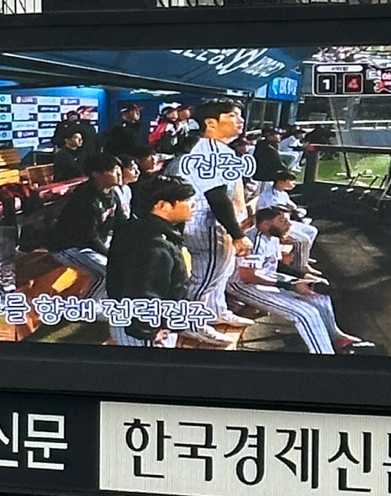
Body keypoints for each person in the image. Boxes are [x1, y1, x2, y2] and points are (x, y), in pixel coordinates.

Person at [226, 207, 374, 354]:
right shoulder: (254, 241)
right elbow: (247, 276)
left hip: (265, 278)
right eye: (282, 221)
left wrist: (301, 278)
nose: (288, 225)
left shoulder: (272, 236)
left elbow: (275, 266)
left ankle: (336, 337)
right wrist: (289, 285)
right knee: (305, 313)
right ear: (265, 224)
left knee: (319, 298)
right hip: (243, 285)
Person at [168, 97, 252, 345]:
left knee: (220, 273)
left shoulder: (211, 148)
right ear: (211, 123)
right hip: (205, 223)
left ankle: (215, 311)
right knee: (205, 278)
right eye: (233, 115)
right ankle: (189, 323)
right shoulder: (208, 150)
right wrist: (237, 234)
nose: (240, 120)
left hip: (211, 221)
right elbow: (216, 197)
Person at [103, 176, 193, 347]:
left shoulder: (139, 227)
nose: (192, 204)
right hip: (145, 332)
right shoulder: (153, 245)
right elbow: (143, 293)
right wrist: (148, 331)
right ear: (162, 206)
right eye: (186, 200)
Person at [49, 153, 122, 294]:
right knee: (107, 272)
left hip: (92, 246)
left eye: (119, 169)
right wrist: (112, 255)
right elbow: (89, 237)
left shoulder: (112, 193)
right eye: (113, 170)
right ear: (96, 174)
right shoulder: (86, 197)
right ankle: (87, 311)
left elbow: (122, 223)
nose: (119, 173)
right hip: (70, 248)